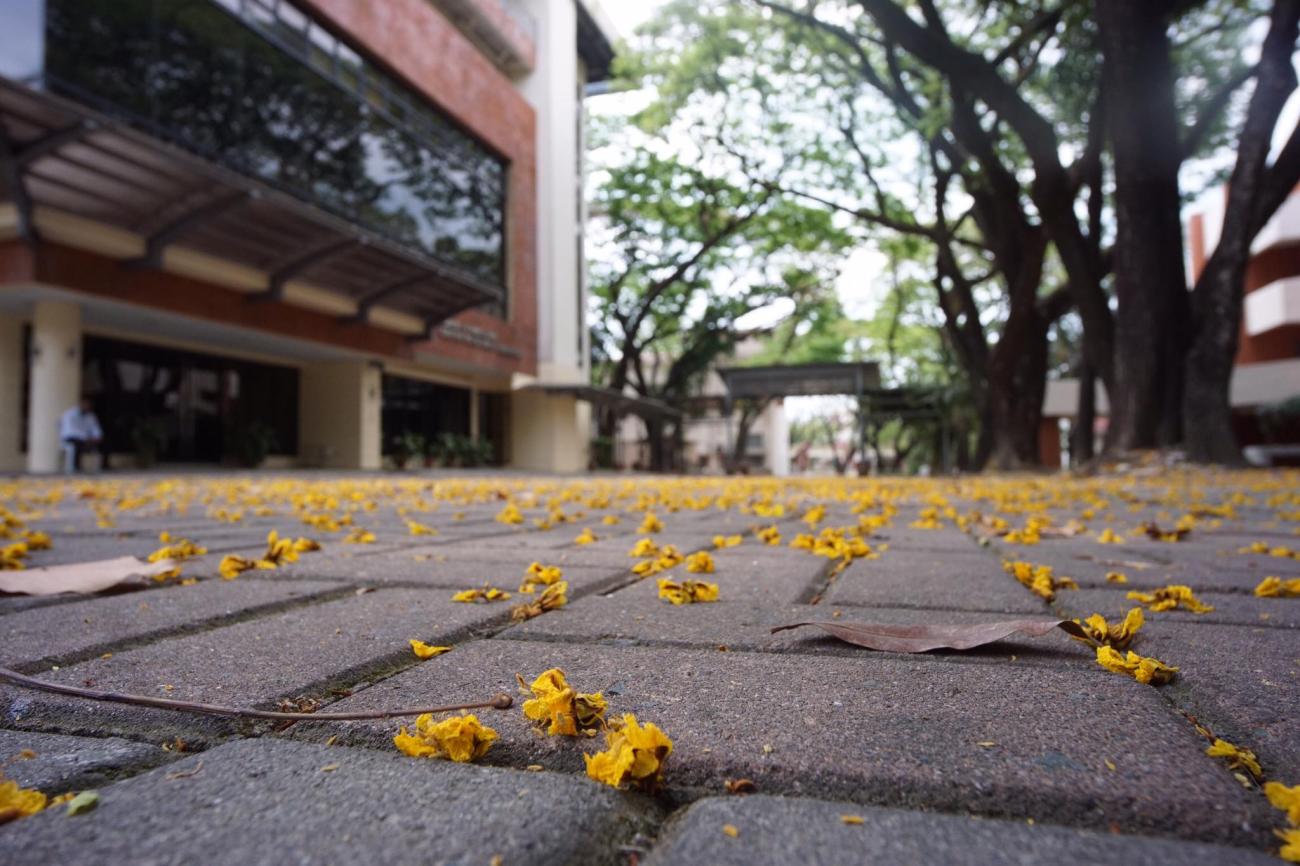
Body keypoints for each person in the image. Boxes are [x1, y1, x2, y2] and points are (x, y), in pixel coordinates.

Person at [60, 397, 104, 472]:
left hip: (86, 439)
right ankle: (75, 468)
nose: (86, 406)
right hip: (71, 438)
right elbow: (71, 430)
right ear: (80, 404)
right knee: (77, 446)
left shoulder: (90, 416)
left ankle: (102, 467)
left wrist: (97, 437)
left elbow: (95, 428)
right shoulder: (70, 414)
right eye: (85, 404)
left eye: (88, 405)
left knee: (104, 444)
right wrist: (86, 438)